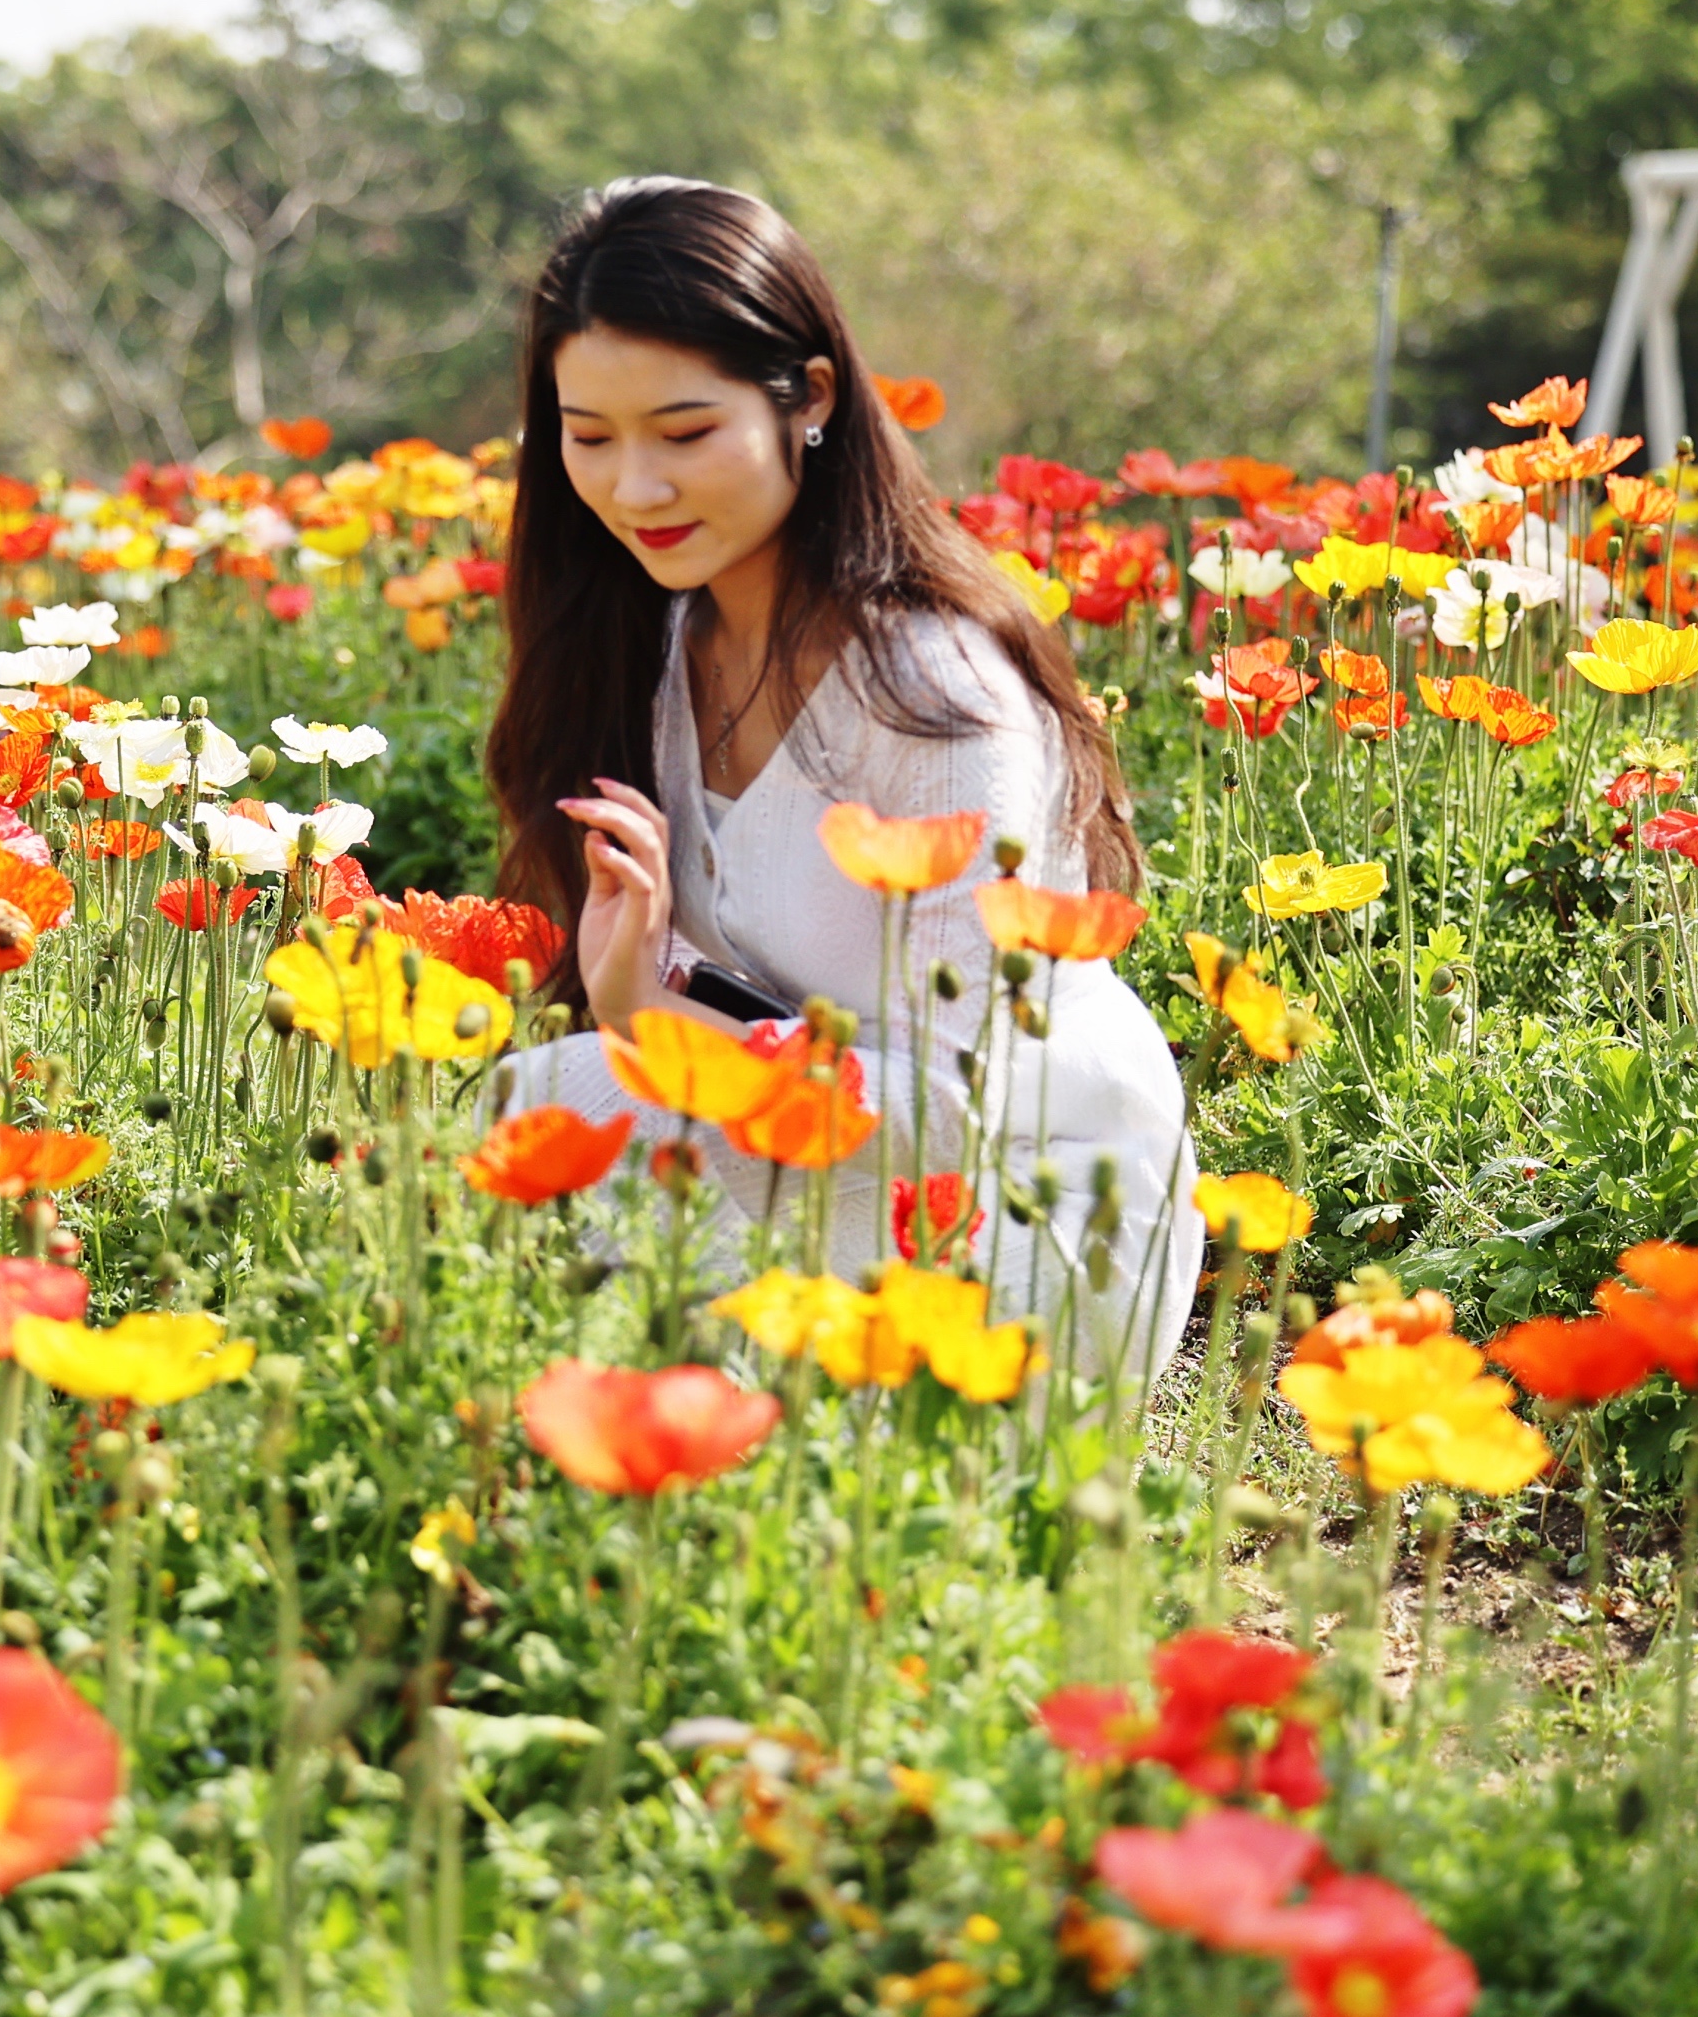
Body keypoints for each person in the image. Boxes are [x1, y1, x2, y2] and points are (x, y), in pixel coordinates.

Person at [482, 176, 1199, 1370]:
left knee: (688, 1382)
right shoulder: (654, 647)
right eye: (590, 438)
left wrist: (656, 1023)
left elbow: (969, 1108)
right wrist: (642, 998)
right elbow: (767, 995)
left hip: (1008, 1211)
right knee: (526, 1115)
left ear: (808, 398)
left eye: (685, 431)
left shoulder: (936, 702)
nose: (634, 489)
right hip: (810, 1161)